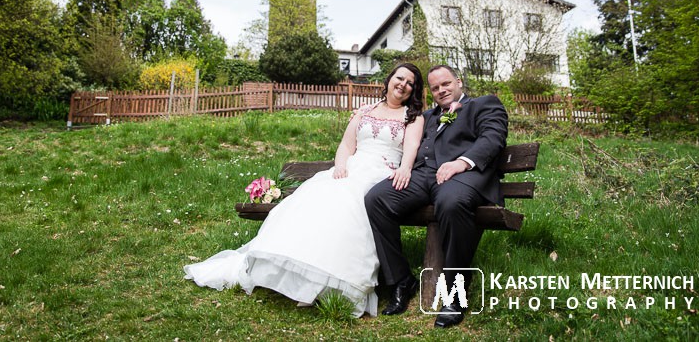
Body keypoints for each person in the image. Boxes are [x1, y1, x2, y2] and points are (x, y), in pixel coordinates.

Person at [184, 63, 425, 317]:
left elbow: (410, 148)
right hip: (351, 167)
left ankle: (334, 281)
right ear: (388, 80)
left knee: (349, 203)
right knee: (317, 196)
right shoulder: (365, 111)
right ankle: (304, 272)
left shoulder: (413, 117)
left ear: (413, 90)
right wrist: (341, 166)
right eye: (400, 78)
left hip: (381, 172)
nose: (403, 85)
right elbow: (345, 145)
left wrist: (405, 168)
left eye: (410, 83)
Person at [365, 64, 508, 328]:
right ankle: (400, 280)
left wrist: (461, 163)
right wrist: (363, 114)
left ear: (459, 82)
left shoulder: (484, 105)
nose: (441, 90)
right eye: (435, 88)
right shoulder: (427, 116)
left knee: (451, 203)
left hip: (462, 176)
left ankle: (455, 295)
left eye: (446, 84)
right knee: (377, 198)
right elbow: (394, 120)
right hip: (423, 177)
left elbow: (493, 138)